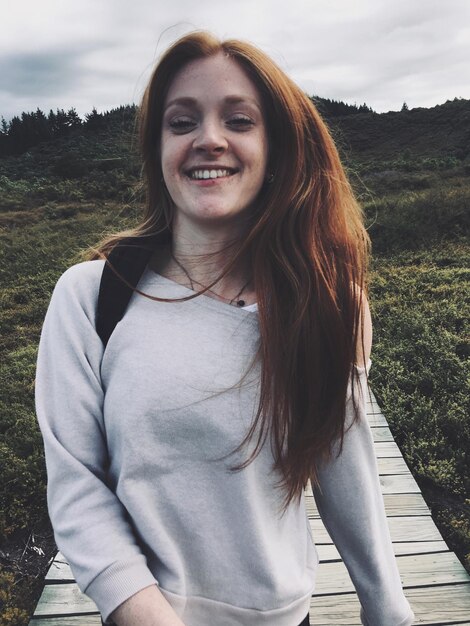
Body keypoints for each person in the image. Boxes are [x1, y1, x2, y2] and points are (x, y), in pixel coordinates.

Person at [35, 31, 415, 626]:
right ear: (157, 150)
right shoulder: (91, 298)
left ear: (276, 148)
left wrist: (388, 608)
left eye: (238, 120)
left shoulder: (328, 304)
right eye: (180, 122)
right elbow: (78, 485)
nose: (208, 139)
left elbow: (342, 461)